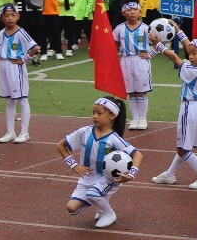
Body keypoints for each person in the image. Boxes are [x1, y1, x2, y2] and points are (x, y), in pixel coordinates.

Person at [58, 97, 142, 229]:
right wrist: (74, 165)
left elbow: (137, 154)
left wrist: (131, 174)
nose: (95, 116)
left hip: (107, 178)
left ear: (112, 115)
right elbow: (61, 145)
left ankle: (109, 213)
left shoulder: (114, 138)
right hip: (87, 179)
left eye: (99, 113)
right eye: (93, 113)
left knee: (92, 194)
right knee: (71, 209)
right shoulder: (85, 132)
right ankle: (100, 204)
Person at [150, 33, 197, 189]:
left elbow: (173, 55)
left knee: (183, 148)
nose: (190, 56)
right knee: (184, 145)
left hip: (189, 109)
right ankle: (169, 174)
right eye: (189, 53)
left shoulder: (194, 72)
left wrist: (159, 45)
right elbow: (190, 49)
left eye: (194, 54)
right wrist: (179, 31)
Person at [0, 4, 40, 143]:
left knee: (22, 99)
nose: (9, 18)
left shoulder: (21, 32)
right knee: (9, 100)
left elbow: (35, 48)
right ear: (1, 18)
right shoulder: (1, 33)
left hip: (15, 67)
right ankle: (10, 132)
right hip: (3, 66)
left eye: (12, 15)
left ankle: (24, 132)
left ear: (18, 16)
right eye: (6, 16)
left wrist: (24, 59)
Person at [113, 0, 154, 130]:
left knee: (141, 92)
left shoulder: (146, 29)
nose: (132, 12)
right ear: (123, 13)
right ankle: (135, 118)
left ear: (140, 11)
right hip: (126, 60)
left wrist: (150, 54)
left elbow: (159, 44)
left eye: (134, 9)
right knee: (131, 91)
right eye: (128, 10)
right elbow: (114, 44)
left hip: (140, 60)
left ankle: (142, 118)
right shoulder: (119, 29)